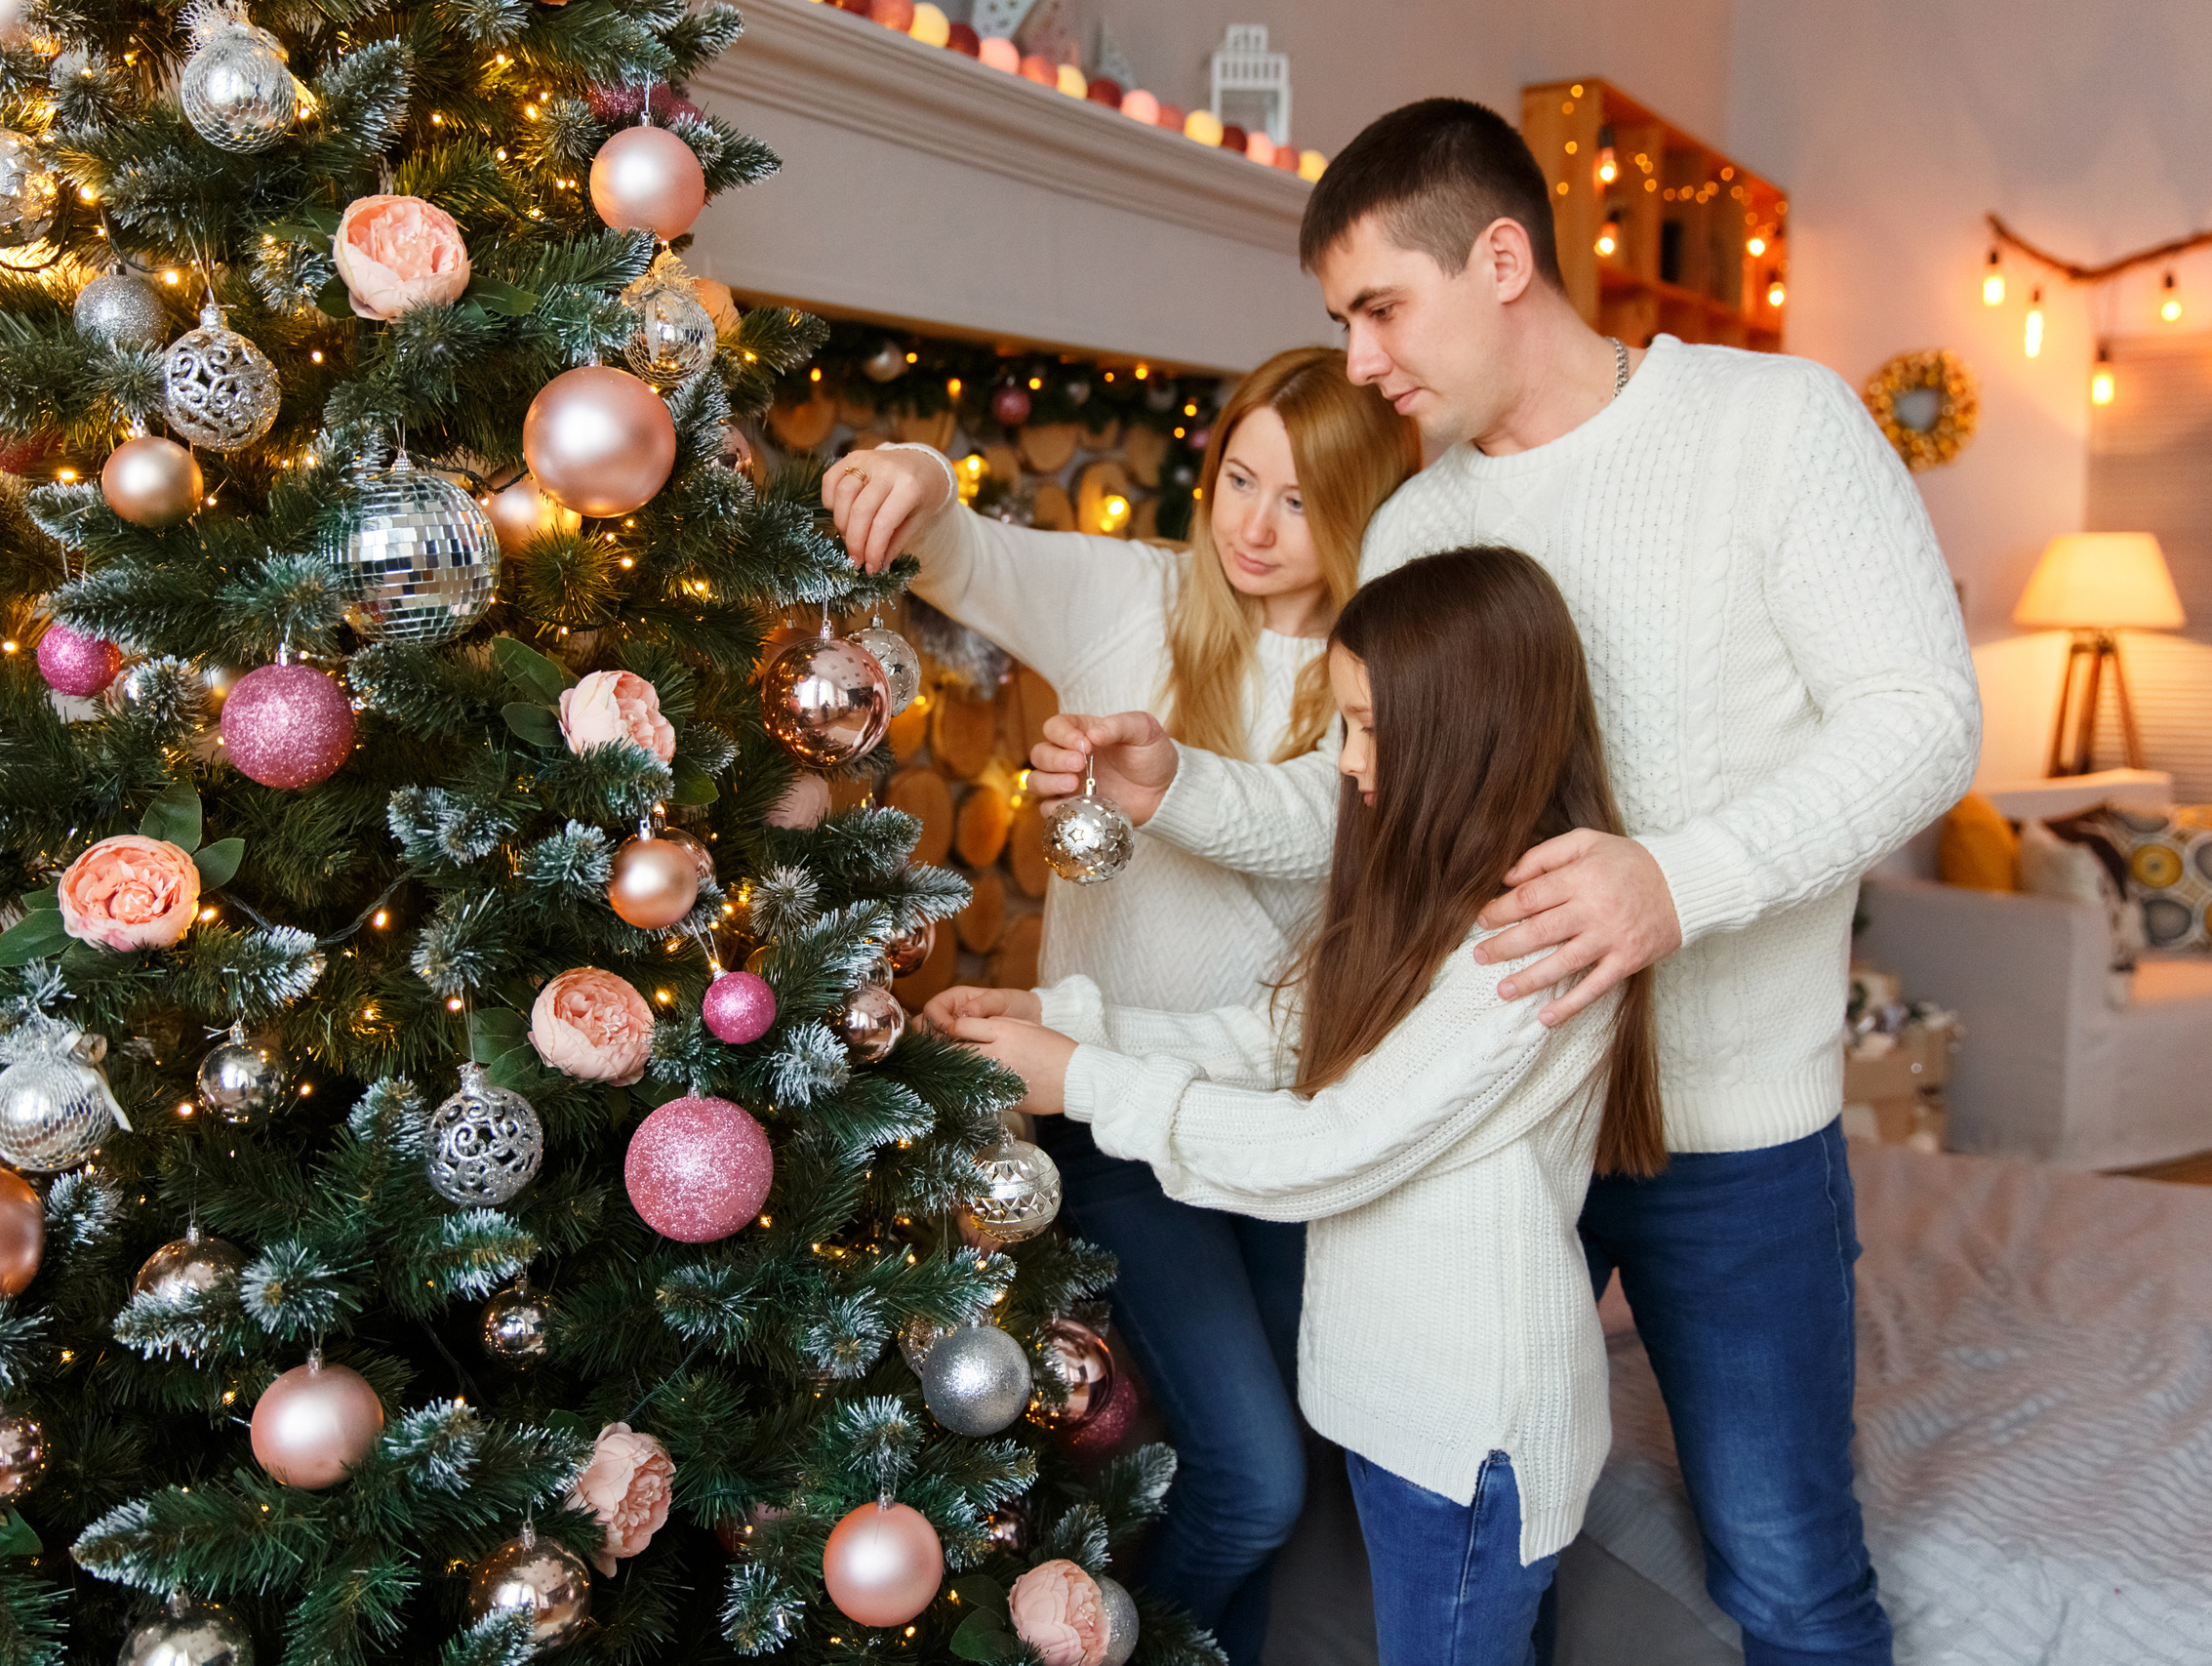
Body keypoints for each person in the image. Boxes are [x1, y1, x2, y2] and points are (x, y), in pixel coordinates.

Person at [1024, 101, 1981, 1665]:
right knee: (1480, 1516)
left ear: (1503, 256)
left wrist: (1676, 879)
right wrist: (1173, 784)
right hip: (1480, 1134)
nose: (1358, 359)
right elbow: (1374, 818)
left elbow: (1924, 720)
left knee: (1789, 1565)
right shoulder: (1417, 520)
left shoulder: (1776, 423)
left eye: (1380, 306)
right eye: (1339, 319)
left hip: (1726, 1136)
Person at [927, 547, 1667, 1666]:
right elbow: (1276, 1043)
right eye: (1342, 728)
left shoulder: (1531, 947)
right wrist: (1062, 1016)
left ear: (1466, 732)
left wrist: (1081, 1080)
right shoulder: (1426, 889)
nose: (1347, 767)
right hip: (1394, 1401)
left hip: (1471, 1430)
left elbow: (1334, 1145)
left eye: (1367, 730)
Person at [822, 346, 1418, 1662]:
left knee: (1272, 1467)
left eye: (1302, 499)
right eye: (1239, 478)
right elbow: (961, 547)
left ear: (1367, 507)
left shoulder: (1385, 684)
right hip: (1107, 1112)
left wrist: (1171, 783)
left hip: (1267, 1124)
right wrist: (914, 470)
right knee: (1255, 1474)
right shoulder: (1134, 599)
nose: (1253, 525)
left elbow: (1322, 830)